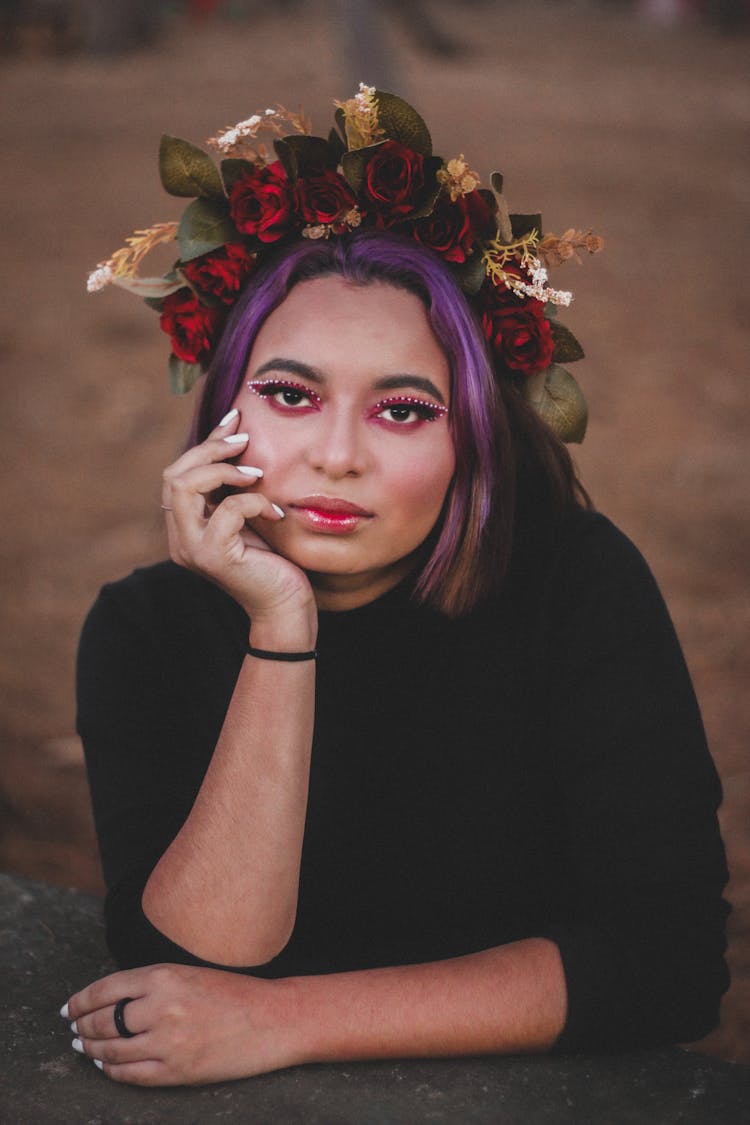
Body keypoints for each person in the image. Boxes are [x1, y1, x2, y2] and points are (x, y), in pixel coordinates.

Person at [63, 89, 729, 1087]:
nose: (336, 457)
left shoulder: (576, 586)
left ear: (473, 437)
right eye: (290, 395)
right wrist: (280, 629)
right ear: (222, 411)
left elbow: (667, 963)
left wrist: (291, 1019)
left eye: (404, 410)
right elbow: (197, 968)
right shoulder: (144, 627)